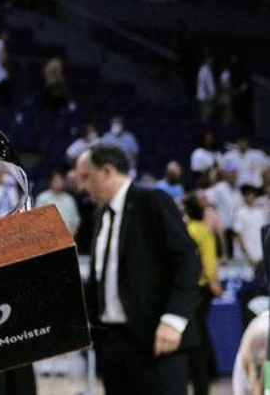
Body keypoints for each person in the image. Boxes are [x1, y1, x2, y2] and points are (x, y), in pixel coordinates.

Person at [75, 143, 200, 395]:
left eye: (86, 177)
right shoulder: (100, 215)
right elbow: (102, 276)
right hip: (114, 343)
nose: (82, 187)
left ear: (107, 171)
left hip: (156, 340)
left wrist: (174, 320)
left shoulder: (151, 200)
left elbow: (187, 260)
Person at [183, 194, 222, 395]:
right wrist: (214, 281)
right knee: (202, 332)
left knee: (198, 336)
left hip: (199, 287)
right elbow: (212, 256)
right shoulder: (205, 229)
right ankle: (209, 373)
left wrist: (211, 281)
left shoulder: (190, 230)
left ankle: (203, 377)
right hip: (207, 287)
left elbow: (198, 261)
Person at [34, 169, 80, 236]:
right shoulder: (42, 198)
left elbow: (75, 222)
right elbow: (37, 219)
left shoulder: (69, 199)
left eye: (61, 181)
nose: (59, 184)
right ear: (51, 182)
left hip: (66, 238)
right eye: (56, 181)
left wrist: (70, 237)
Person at [232, 185, 267, 268]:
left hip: (260, 255)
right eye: (248, 195)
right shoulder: (240, 212)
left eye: (252, 194)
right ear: (244, 197)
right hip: (245, 257)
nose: (251, 197)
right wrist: (248, 256)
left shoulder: (260, 212)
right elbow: (239, 235)